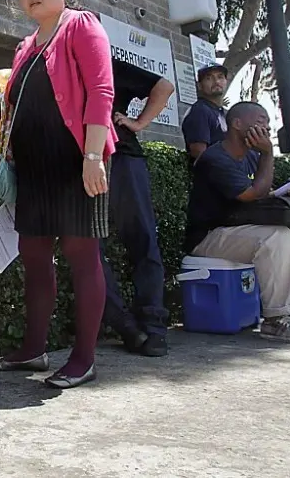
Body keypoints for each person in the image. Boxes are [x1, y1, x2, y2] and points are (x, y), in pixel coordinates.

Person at [0, 0, 116, 388]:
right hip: (34, 167)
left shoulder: (81, 24)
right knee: (35, 256)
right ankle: (34, 349)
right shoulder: (25, 46)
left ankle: (83, 358)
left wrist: (93, 156)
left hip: (77, 160)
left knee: (82, 257)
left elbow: (101, 89)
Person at [184, 102, 290, 344]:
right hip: (210, 237)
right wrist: (268, 153)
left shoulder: (252, 156)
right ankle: (276, 319)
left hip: (244, 230)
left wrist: (289, 190)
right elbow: (250, 195)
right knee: (276, 236)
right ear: (237, 123)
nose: (267, 125)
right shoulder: (215, 157)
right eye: (261, 120)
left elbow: (266, 191)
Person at [102, 61, 175, 357]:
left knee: (142, 239)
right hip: (78, 162)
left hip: (123, 157)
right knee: (89, 248)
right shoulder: (56, 64)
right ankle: (125, 326)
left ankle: (154, 325)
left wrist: (139, 122)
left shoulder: (108, 63)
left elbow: (164, 86)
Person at [182, 64, 229, 163]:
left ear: (226, 81)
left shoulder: (224, 113)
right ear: (200, 85)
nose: (216, 82)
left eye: (220, 77)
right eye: (209, 78)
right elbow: (199, 152)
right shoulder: (200, 110)